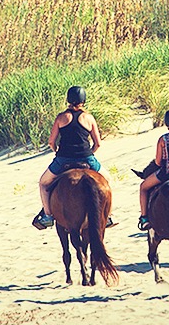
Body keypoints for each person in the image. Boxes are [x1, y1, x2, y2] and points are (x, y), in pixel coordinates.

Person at [32, 85, 113, 230]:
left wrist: (55, 150)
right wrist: (90, 153)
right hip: (86, 158)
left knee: (43, 183)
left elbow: (51, 141)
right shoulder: (89, 118)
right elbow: (98, 143)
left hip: (64, 159)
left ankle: (48, 215)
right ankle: (108, 216)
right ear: (84, 100)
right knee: (108, 180)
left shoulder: (61, 117)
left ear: (68, 100)